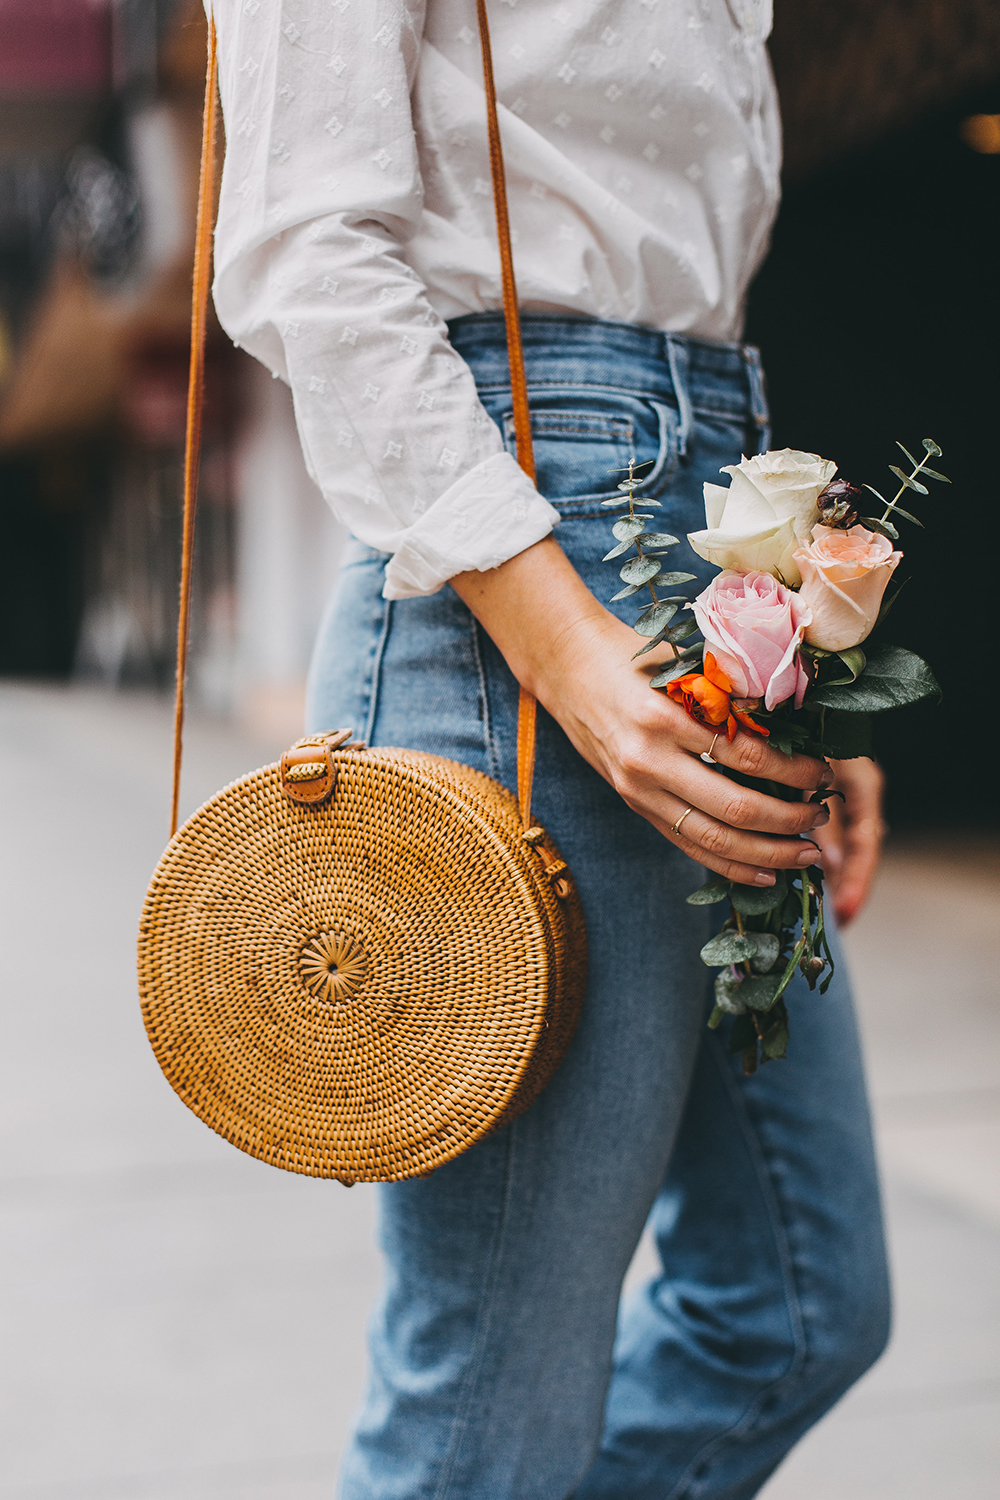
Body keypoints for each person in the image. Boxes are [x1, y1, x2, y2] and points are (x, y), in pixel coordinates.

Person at [209, 3, 890, 1496]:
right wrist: (568, 648)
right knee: (490, 1392)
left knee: (794, 1306)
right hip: (512, 573)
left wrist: (791, 660)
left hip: (710, 525)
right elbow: (304, 253)